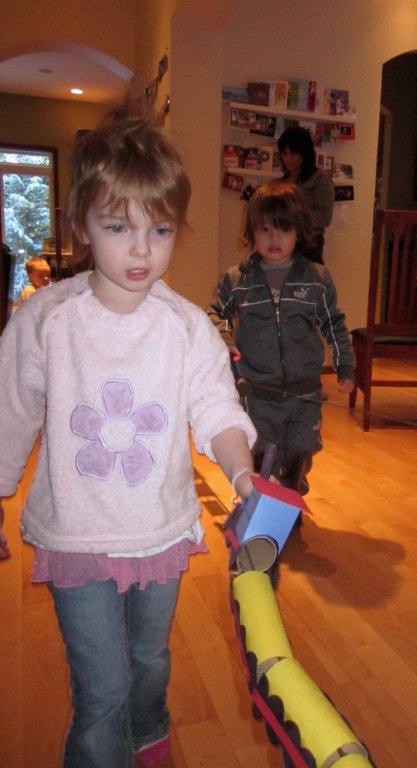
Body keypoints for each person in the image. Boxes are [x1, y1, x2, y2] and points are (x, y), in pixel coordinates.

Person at [0, 117, 257, 768]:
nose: (142, 250)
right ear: (82, 226)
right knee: (102, 690)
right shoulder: (46, 320)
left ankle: (148, 737)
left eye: (161, 230)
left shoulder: (186, 327)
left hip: (160, 531)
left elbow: (216, 405)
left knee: (149, 662)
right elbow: (10, 412)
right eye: (119, 227)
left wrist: (242, 473)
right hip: (75, 536)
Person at [208, 182, 354, 496]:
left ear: (298, 231)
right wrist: (225, 339)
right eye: (265, 229)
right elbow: (215, 313)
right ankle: (273, 502)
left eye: (284, 229)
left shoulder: (317, 279)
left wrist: (345, 366)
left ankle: (293, 483)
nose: (274, 239)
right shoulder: (238, 279)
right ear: (252, 232)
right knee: (263, 457)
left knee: (301, 449)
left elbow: (334, 324)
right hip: (258, 393)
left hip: (305, 394)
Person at [277, 125, 335, 264]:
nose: (288, 159)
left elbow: (325, 217)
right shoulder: (282, 181)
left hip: (309, 245)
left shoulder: (319, 178)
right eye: (284, 153)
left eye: (293, 154)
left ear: (305, 154)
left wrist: (294, 216)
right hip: (283, 242)